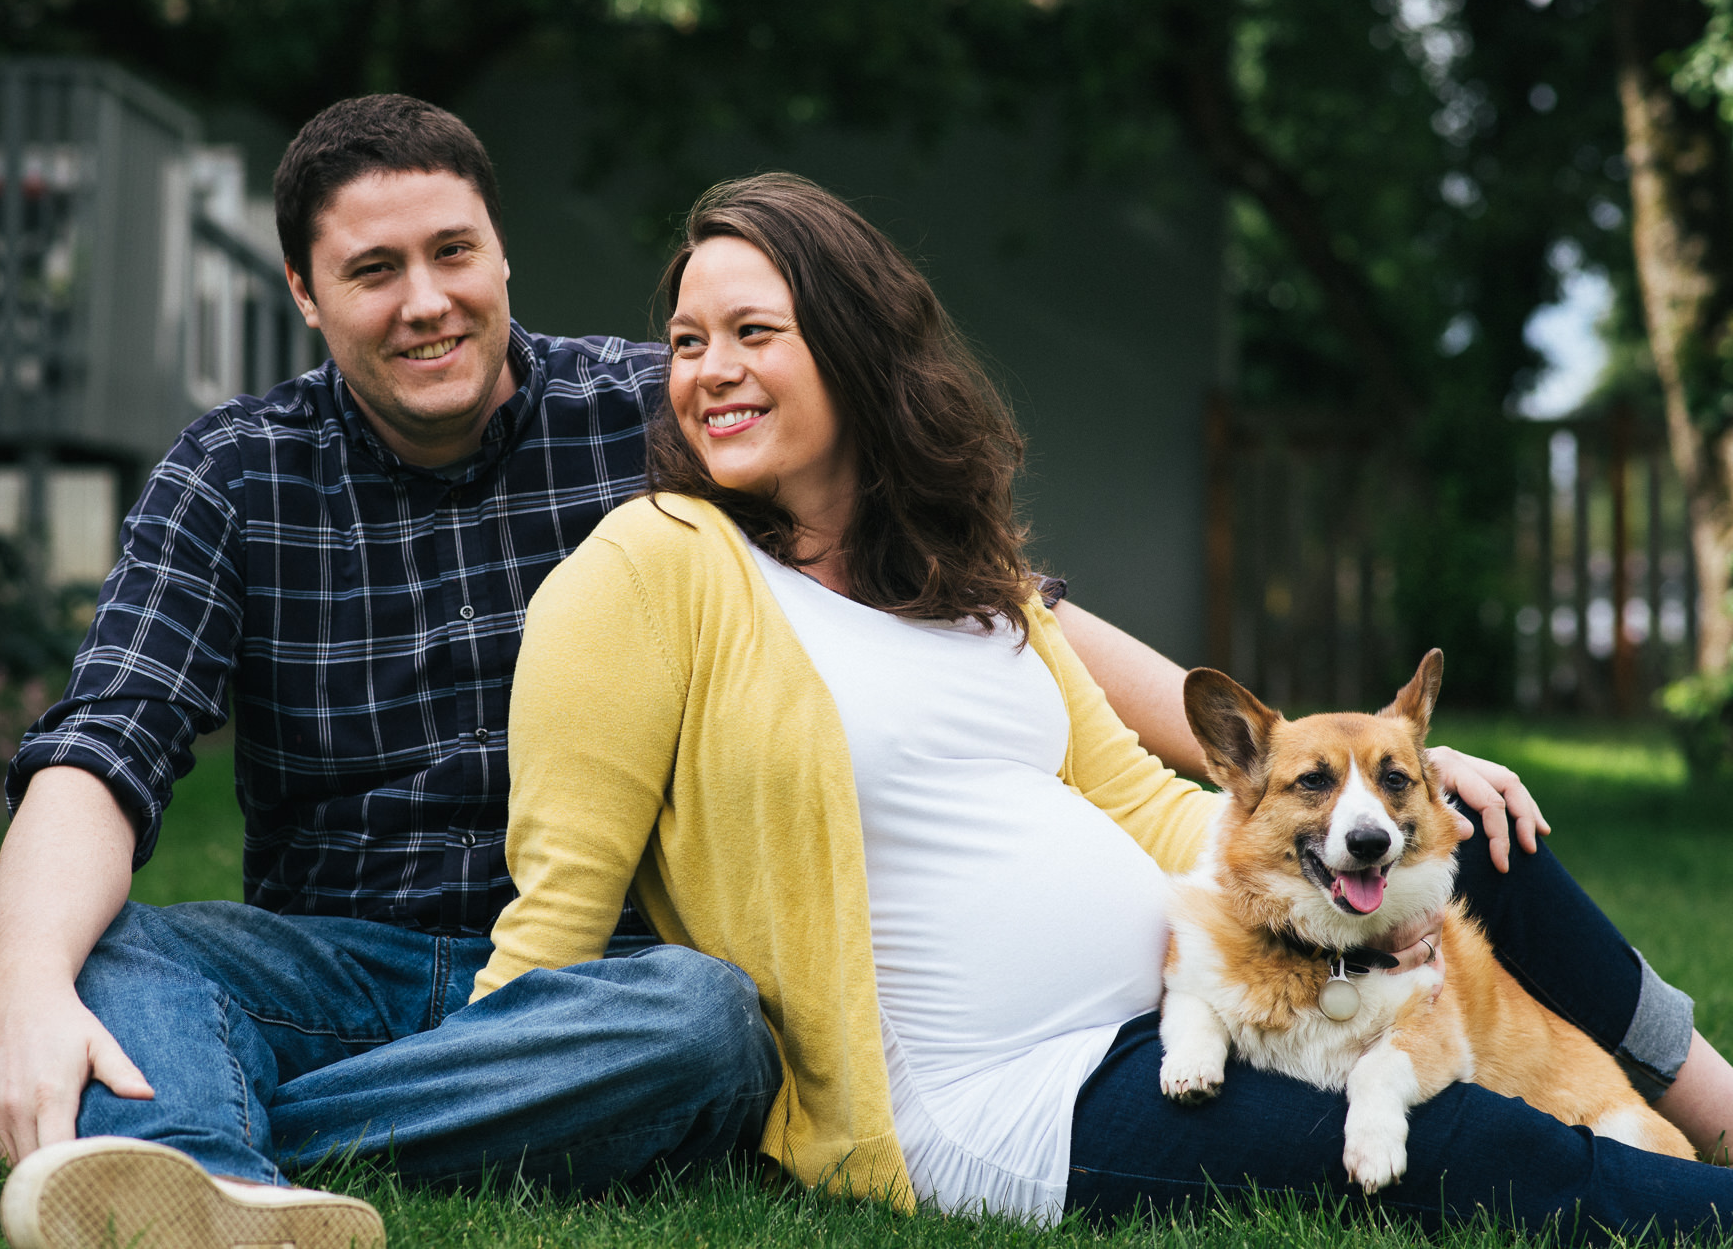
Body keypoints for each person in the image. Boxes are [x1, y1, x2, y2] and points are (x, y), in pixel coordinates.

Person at [0, 97, 1725, 1244]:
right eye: (373, 269)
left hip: (624, 986)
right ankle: (131, 1119)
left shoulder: (670, 415)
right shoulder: (270, 479)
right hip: (389, 939)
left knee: (696, 1026)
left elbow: (1025, 619)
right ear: (303, 294)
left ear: (506, 251)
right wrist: (23, 973)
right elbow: (101, 749)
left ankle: (126, 1144)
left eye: (457, 249)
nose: (427, 297)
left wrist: (1328, 757)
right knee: (137, 954)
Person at [477, 171, 1733, 1239]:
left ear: (855, 349)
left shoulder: (968, 583)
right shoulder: (656, 566)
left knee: (1459, 826)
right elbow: (558, 909)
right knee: (1453, 1142)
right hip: (1009, 1096)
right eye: (688, 342)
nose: (707, 371)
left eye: (754, 332)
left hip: (1181, 991)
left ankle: (1717, 1116)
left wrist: (1352, 804)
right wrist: (486, 1083)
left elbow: (1141, 797)